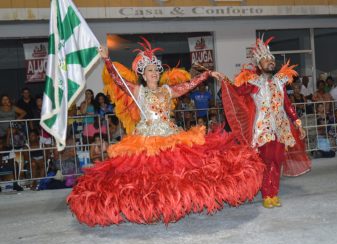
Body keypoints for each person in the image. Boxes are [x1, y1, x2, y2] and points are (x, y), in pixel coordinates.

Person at [67, 38, 265, 226]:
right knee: (148, 178)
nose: (153, 72)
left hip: (170, 135)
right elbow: (117, 80)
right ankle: (149, 209)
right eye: (149, 70)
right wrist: (106, 59)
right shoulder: (138, 91)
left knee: (176, 175)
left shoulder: (167, 91)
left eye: (155, 69)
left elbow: (188, 85)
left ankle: (175, 205)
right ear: (143, 75)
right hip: (146, 139)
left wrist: (207, 74)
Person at [221, 36, 311, 209]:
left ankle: (273, 193)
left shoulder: (280, 82)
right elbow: (235, 92)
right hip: (263, 129)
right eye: (266, 60)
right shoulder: (253, 82)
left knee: (277, 161)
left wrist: (298, 123)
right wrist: (224, 80)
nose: (270, 62)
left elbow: (288, 105)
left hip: (280, 127)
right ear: (259, 64)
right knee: (266, 162)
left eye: (272, 59)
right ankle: (266, 194)